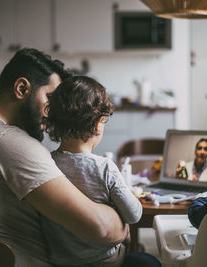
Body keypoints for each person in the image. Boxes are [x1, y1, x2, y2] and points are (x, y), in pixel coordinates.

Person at [0, 48, 129, 267]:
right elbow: (101, 229)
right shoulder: (8, 141)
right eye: (50, 99)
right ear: (22, 88)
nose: (54, 113)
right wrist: (125, 222)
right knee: (143, 260)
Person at [42, 76, 143, 266]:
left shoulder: (46, 163)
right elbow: (134, 214)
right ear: (98, 123)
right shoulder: (104, 167)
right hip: (104, 261)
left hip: (60, 262)